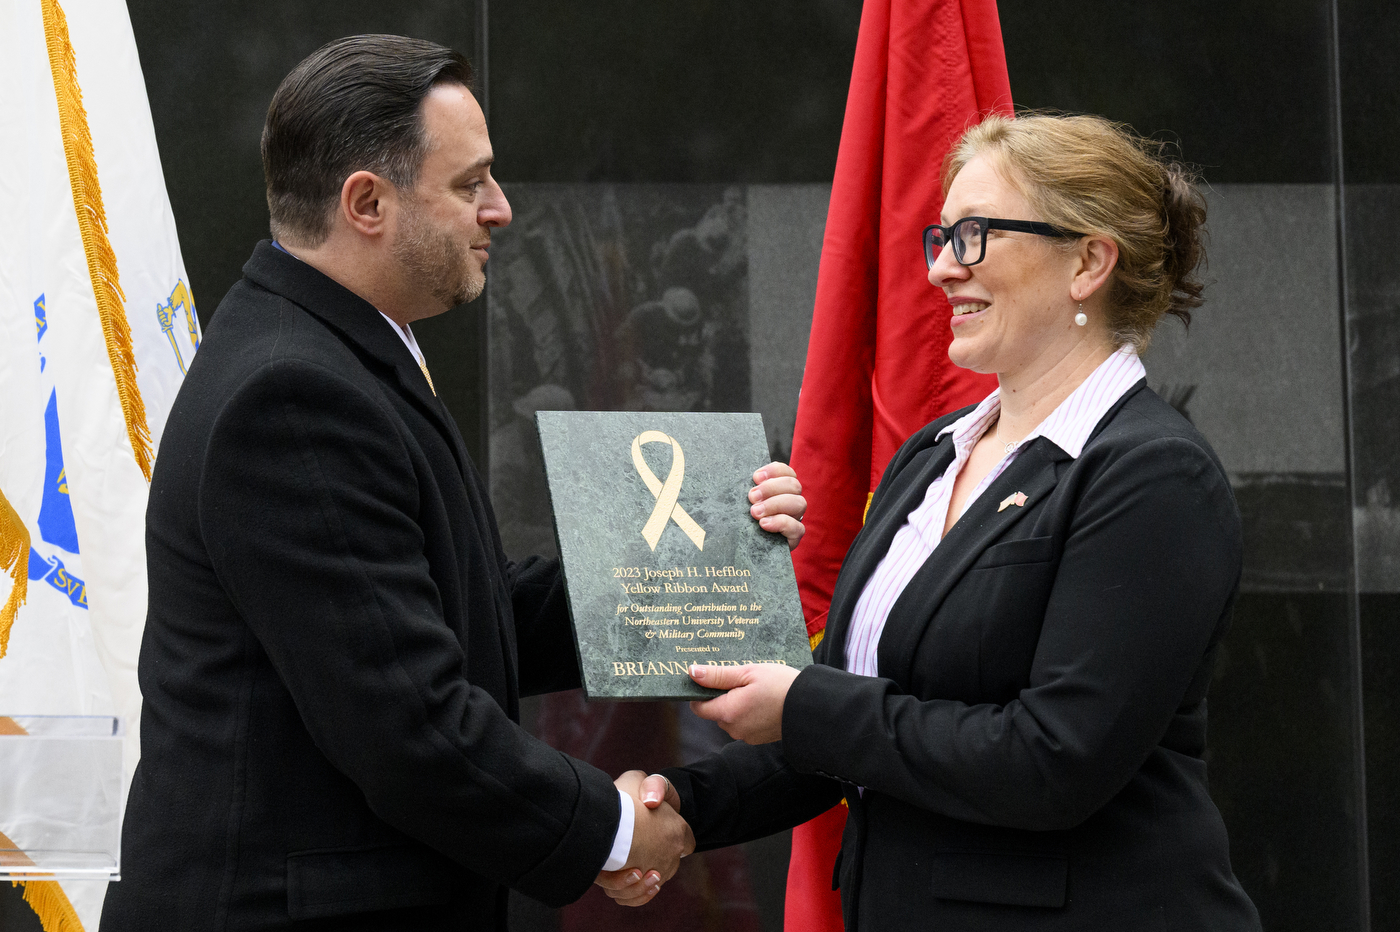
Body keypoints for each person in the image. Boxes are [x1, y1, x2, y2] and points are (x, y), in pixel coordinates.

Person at [99, 36, 806, 932]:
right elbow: (409, 729)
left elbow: (453, 614)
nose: (501, 210)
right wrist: (619, 830)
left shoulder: (338, 349)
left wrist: (717, 548)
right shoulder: (293, 392)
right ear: (367, 202)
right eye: (470, 183)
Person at [602, 112, 1264, 929]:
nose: (945, 269)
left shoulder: (1153, 474)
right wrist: (674, 812)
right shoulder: (933, 455)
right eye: (943, 237)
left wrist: (805, 705)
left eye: (978, 234)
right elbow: (868, 731)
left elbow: (1051, 760)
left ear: (1089, 261)